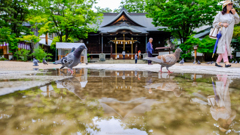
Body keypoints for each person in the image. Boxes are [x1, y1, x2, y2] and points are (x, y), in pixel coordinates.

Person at [213, 0, 240, 68]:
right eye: (229, 4)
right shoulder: (220, 14)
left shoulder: (232, 15)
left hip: (229, 34)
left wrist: (235, 13)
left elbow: (237, 21)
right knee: (224, 46)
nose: (231, 6)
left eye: (231, 4)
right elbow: (214, 23)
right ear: (225, 6)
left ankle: (217, 62)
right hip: (222, 33)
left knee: (225, 46)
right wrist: (222, 24)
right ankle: (226, 62)